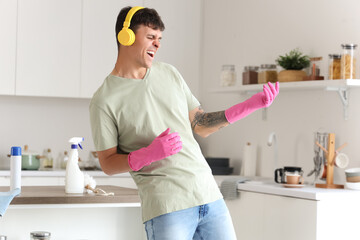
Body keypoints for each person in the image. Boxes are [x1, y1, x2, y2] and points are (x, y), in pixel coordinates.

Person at [89, 6, 279, 240]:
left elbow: (201, 124)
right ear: (125, 36)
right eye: (150, 37)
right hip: (167, 207)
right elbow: (107, 163)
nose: (157, 44)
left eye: (159, 39)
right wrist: (148, 153)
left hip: (209, 195)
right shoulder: (104, 99)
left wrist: (252, 104)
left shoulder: (170, 73)